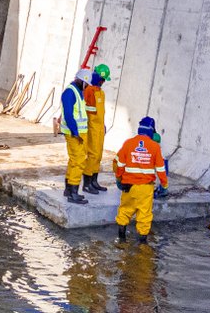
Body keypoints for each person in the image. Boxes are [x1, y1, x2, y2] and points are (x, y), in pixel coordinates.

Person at [114, 117, 168, 243]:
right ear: (152, 131)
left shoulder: (128, 143)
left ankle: (121, 240)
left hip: (128, 187)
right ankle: (143, 246)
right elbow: (160, 169)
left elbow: (119, 164)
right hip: (145, 188)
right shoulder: (155, 147)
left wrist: (119, 179)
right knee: (144, 215)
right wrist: (164, 185)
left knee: (124, 212)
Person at [61, 68, 94, 204]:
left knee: (74, 160)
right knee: (79, 161)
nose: (87, 87)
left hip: (79, 133)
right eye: (86, 84)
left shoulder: (77, 91)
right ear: (82, 81)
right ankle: (73, 193)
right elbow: (69, 115)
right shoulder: (70, 92)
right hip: (75, 134)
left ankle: (69, 189)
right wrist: (75, 132)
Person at [81, 64, 111, 194]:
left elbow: (100, 112)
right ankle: (87, 184)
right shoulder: (88, 91)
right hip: (91, 128)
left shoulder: (100, 92)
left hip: (99, 128)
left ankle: (94, 181)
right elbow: (86, 110)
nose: (104, 82)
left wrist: (103, 125)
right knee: (92, 155)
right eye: (103, 80)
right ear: (99, 78)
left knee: (98, 155)